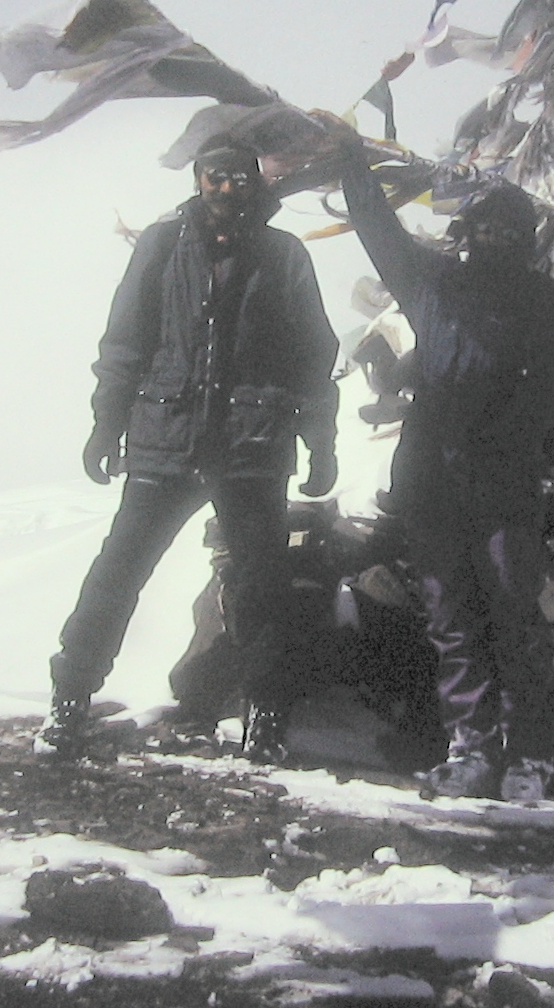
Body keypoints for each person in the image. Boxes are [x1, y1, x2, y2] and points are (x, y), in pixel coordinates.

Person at [39, 139, 340, 763]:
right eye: (215, 177)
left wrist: (321, 441)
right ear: (199, 179)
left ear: (256, 182)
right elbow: (126, 339)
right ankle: (70, 698)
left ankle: (266, 717)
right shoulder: (161, 244)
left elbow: (313, 352)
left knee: (261, 587)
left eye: (239, 178)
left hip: (250, 446)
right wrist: (106, 424)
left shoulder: (284, 254)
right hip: (165, 438)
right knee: (119, 572)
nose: (227, 189)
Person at [334, 129, 554, 803]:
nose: (495, 238)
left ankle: (530, 755)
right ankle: (471, 748)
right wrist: (352, 165)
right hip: (433, 482)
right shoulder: (434, 285)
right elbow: (380, 233)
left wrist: (533, 441)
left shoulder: (545, 302)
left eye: (510, 229)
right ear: (467, 231)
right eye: (486, 226)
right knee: (450, 619)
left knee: (513, 615)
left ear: (527, 238)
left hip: (504, 486)